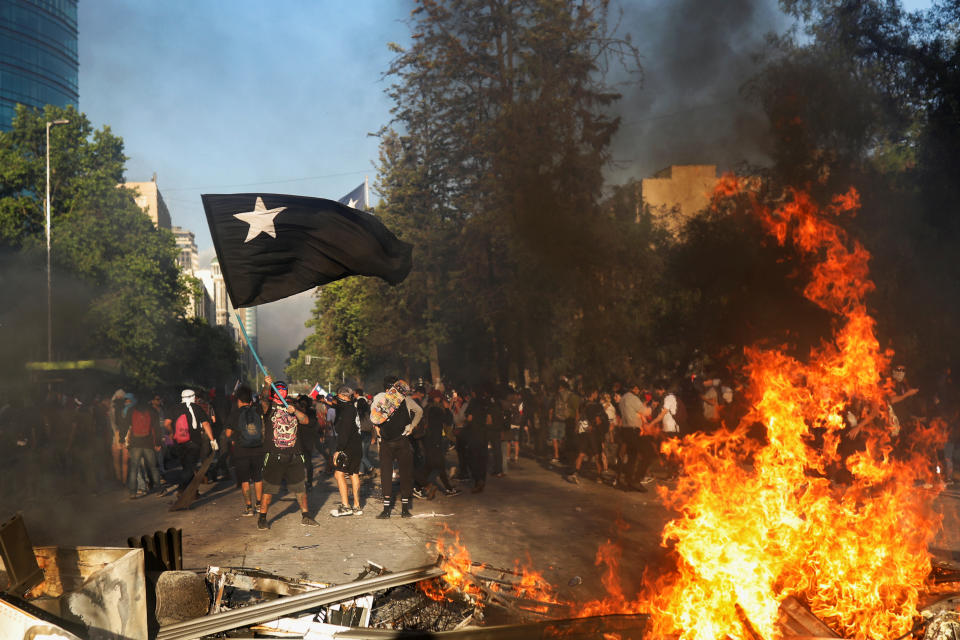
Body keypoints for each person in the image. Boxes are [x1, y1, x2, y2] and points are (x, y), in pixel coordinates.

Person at [258, 377, 318, 529]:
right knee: (269, 489)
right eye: (278, 389)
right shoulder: (269, 407)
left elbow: (306, 421)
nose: (282, 391)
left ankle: (306, 515)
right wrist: (266, 385)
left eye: (283, 389)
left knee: (300, 488)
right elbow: (263, 399)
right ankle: (262, 518)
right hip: (274, 455)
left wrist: (295, 411)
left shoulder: (292, 406)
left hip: (294, 455)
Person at [371, 377, 421, 518]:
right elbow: (419, 411)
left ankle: (388, 510)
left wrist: (378, 431)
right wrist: (411, 426)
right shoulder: (404, 400)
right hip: (400, 442)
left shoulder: (381, 399)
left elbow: (374, 418)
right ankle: (404, 509)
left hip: (389, 443)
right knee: (404, 474)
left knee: (387, 475)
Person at [165, 389, 218, 500]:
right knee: (189, 468)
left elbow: (167, 423)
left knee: (187, 466)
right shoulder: (197, 408)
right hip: (194, 443)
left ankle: (194, 492)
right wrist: (212, 440)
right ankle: (182, 489)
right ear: (193, 397)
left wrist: (171, 433)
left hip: (179, 443)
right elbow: (206, 424)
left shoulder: (174, 408)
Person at [224, 385, 264, 516]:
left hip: (241, 451)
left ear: (238, 401)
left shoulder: (235, 414)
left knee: (245, 480)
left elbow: (228, 433)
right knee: (258, 478)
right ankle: (259, 504)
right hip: (258, 449)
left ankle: (249, 508)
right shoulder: (257, 411)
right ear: (251, 401)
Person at [413, 391, 461, 498]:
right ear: (436, 399)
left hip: (428, 441)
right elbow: (448, 421)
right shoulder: (436, 409)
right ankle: (447, 489)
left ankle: (417, 486)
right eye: (440, 398)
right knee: (439, 465)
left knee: (430, 466)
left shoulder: (428, 407)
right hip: (434, 441)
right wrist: (448, 409)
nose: (442, 400)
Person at [331, 385, 364, 517]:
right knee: (353, 473)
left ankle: (346, 506)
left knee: (339, 475)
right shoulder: (353, 408)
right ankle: (357, 506)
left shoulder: (346, 410)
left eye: (339, 397)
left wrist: (338, 450)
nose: (337, 399)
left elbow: (344, 432)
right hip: (357, 445)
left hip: (348, 447)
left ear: (344, 396)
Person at [125, 395, 162, 498]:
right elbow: (157, 428)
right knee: (153, 467)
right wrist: (158, 443)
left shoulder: (131, 410)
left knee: (134, 469)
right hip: (148, 443)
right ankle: (159, 489)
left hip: (135, 444)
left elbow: (126, 426)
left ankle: (133, 492)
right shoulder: (152, 411)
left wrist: (122, 441)